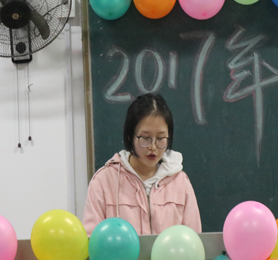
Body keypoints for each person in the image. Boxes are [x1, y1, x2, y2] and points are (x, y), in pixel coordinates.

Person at [82, 93, 201, 235]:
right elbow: (92, 238)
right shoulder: (104, 181)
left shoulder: (180, 182)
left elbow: (193, 240)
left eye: (161, 138)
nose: (153, 147)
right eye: (145, 138)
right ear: (130, 136)